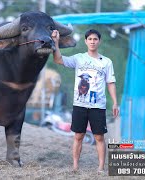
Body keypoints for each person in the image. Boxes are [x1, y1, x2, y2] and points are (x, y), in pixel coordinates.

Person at [51, 29, 119, 173]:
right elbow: (58, 59)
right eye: (90, 39)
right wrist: (56, 43)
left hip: (98, 105)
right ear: (86, 41)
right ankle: (75, 166)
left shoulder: (106, 62)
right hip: (80, 104)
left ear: (99, 41)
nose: (93, 41)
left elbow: (111, 82)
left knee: (99, 137)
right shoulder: (78, 58)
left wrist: (115, 102)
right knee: (78, 136)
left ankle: (101, 168)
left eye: (95, 39)